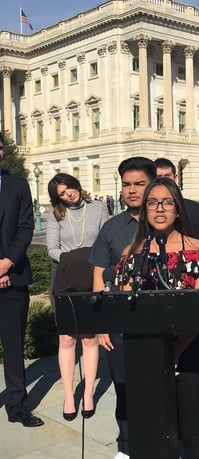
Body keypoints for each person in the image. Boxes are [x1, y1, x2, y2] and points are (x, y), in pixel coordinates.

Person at [114, 176, 199, 459]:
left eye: (167, 202)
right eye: (152, 203)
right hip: (144, 357)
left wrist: (174, 351)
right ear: (144, 209)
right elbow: (125, 307)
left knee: (191, 432)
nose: (159, 209)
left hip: (187, 353)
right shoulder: (131, 253)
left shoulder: (196, 249)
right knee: (153, 433)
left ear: (177, 208)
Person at [90, 156, 156, 459]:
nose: (132, 190)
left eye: (139, 184)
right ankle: (126, 448)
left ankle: (170, 449)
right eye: (127, 184)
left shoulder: (167, 222)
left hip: (160, 325)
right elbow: (98, 279)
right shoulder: (112, 228)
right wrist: (102, 323)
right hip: (121, 327)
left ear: (152, 184)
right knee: (124, 389)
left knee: (165, 391)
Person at [46, 173, 109, 420]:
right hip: (65, 277)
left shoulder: (99, 207)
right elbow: (52, 248)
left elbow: (106, 240)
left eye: (69, 188)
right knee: (67, 339)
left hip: (93, 274)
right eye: (62, 193)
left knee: (90, 338)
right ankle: (69, 396)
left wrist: (91, 262)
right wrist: (73, 260)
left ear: (76, 185)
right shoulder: (55, 214)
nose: (68, 194)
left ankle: (89, 393)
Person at [0, 133, 44, 427]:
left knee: (14, 345)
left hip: (13, 277)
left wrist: (5, 263)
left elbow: (26, 227)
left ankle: (16, 404)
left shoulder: (17, 185)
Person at [154, 157, 199, 253]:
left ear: (175, 177)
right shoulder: (147, 209)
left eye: (167, 176)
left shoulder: (195, 209)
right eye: (159, 177)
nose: (164, 181)